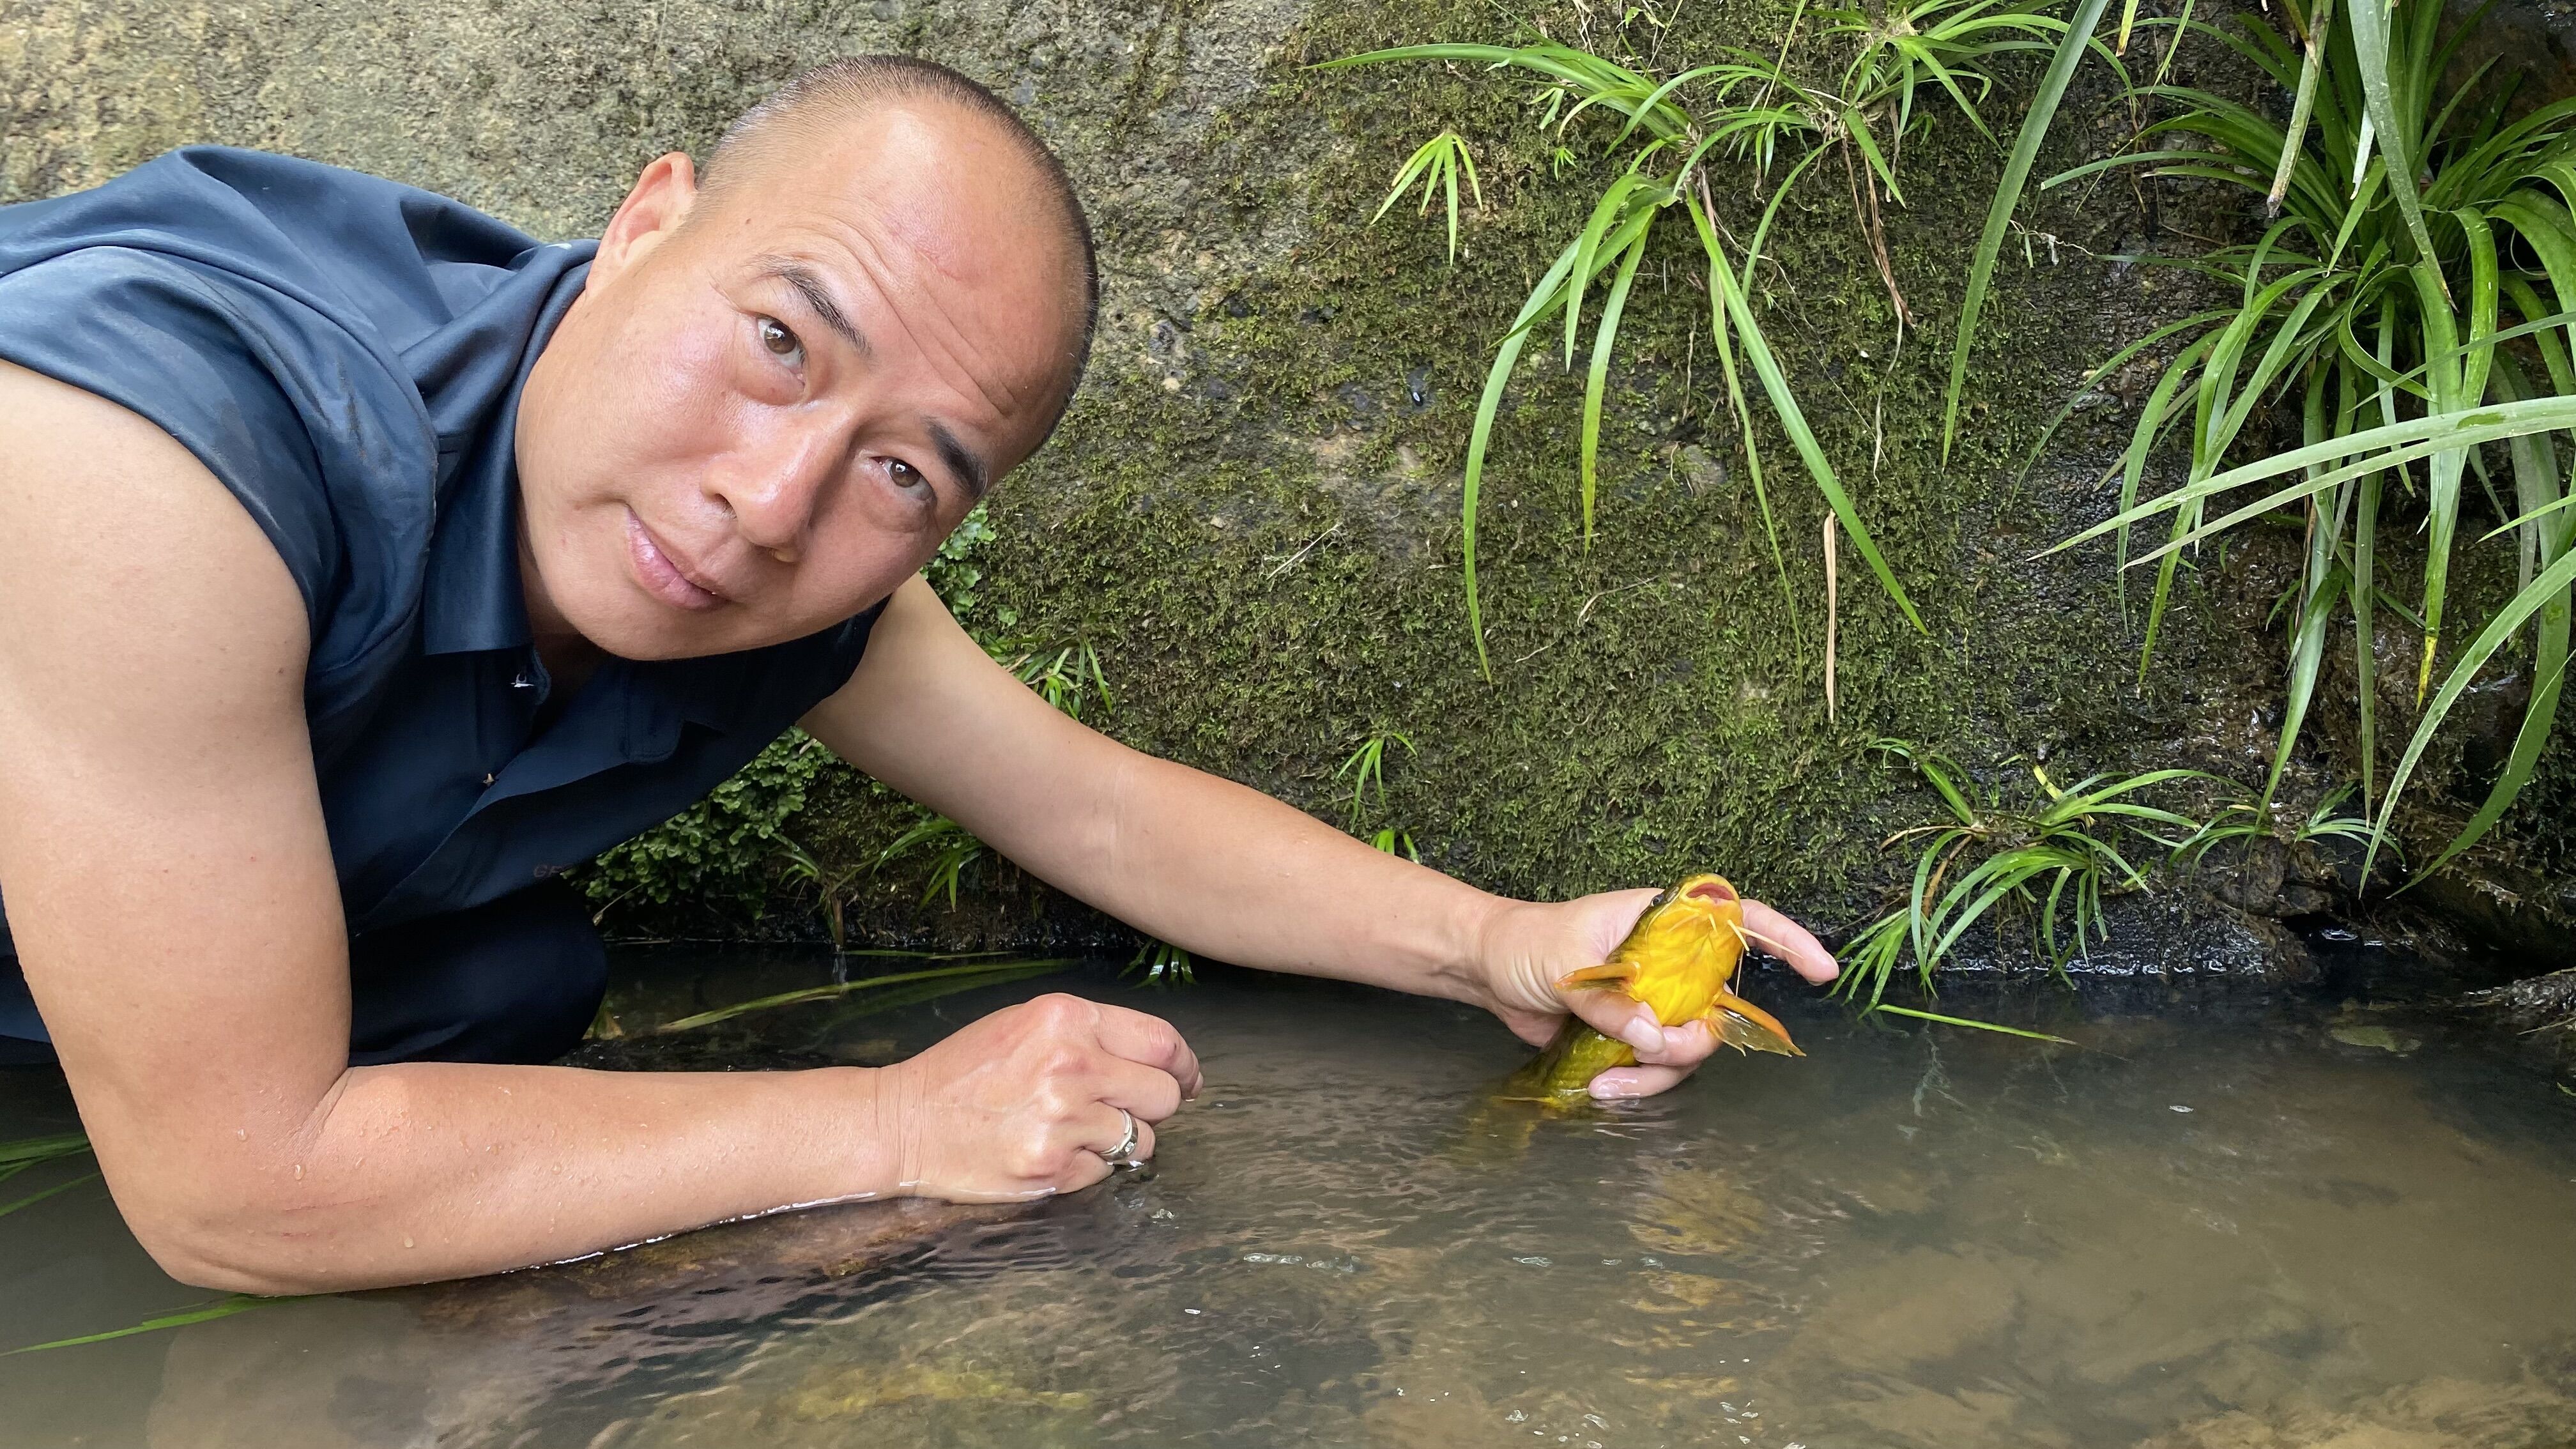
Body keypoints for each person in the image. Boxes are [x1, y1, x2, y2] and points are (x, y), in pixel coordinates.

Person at [0, 56, 1839, 1295]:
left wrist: (1506, 943)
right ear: (644, 225)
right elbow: (234, 1187)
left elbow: (1094, 805)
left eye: (907, 471)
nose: (771, 502)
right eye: (783, 339)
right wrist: (890, 1120)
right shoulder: (147, 462)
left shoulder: (798, 573)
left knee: (509, 989)